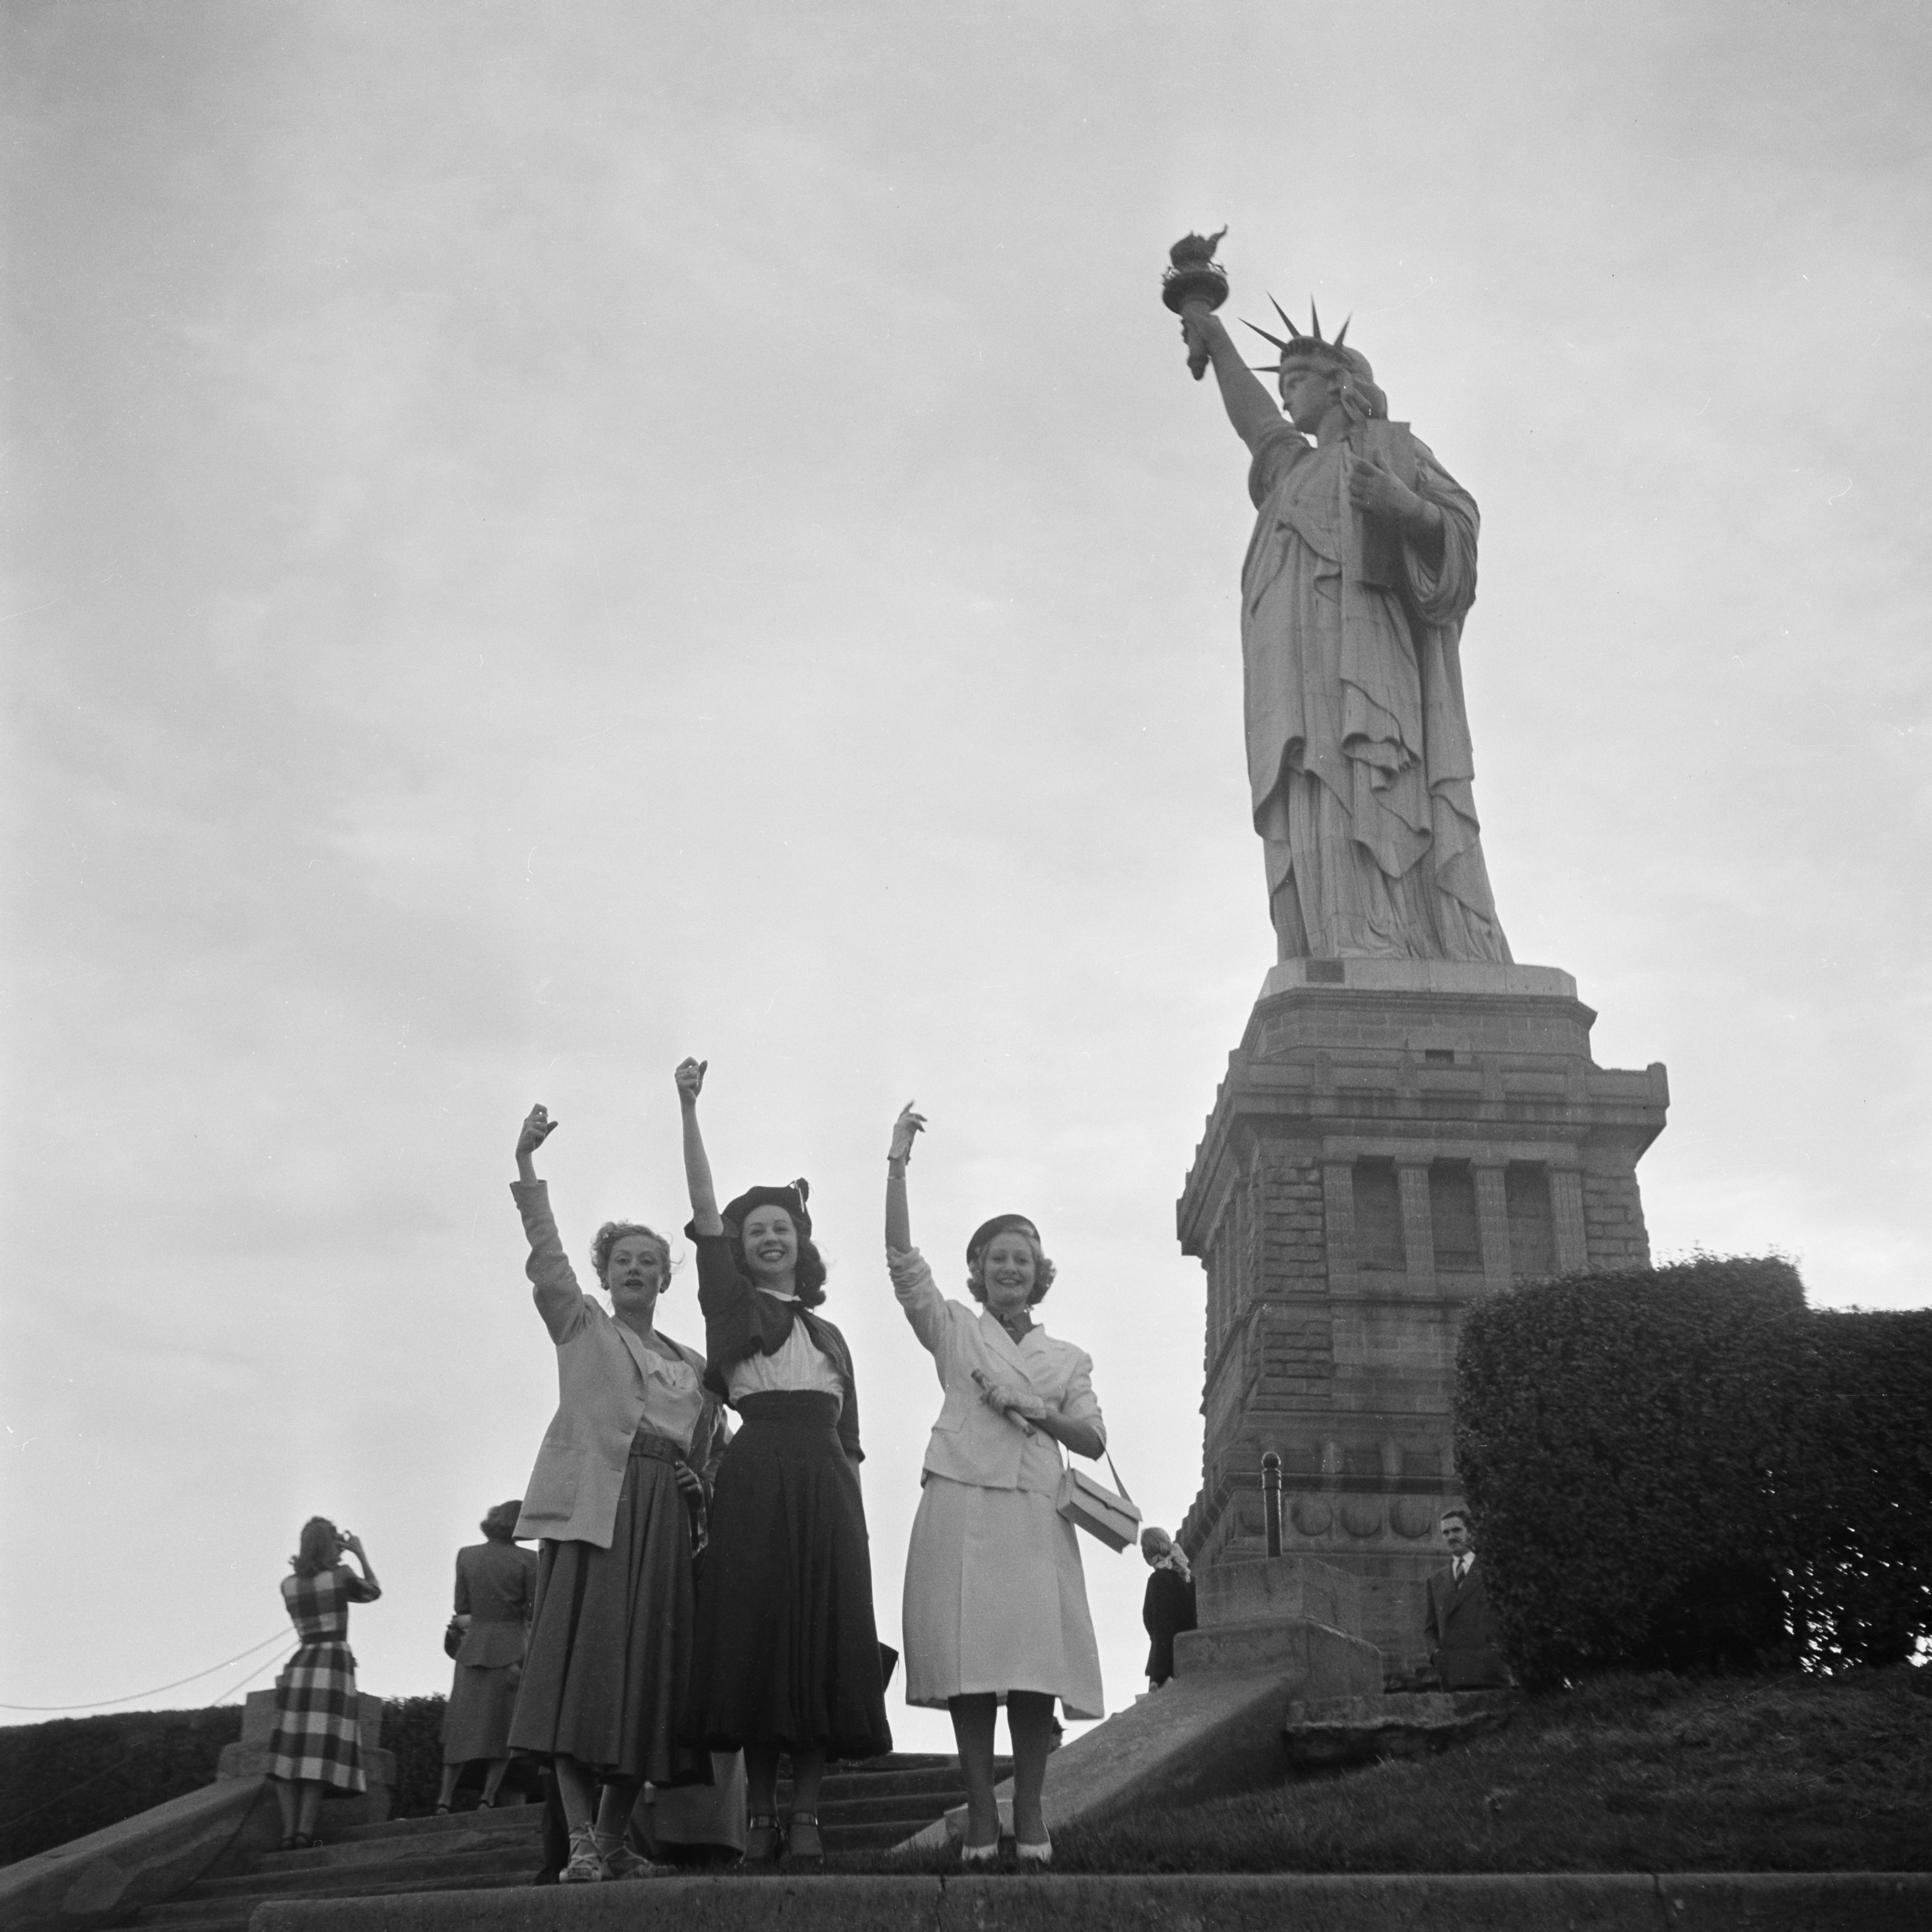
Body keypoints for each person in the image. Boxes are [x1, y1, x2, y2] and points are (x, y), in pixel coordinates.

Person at [1175, 292, 1510, 965]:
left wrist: (1407, 509)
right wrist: (1213, 338)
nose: (1286, 394)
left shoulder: (1389, 449)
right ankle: (1340, 938)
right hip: (1295, 670)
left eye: (1297, 380)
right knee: (1315, 784)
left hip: (1369, 653)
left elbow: (1459, 526)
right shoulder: (1291, 470)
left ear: (1339, 385)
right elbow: (1257, 423)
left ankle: (1400, 937)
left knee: (1374, 775)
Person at [675, 1057, 892, 1869]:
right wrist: (690, 1110)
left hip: (829, 1490)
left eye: (783, 1228)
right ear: (744, 1246)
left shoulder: (831, 1337)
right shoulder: (732, 1305)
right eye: (757, 1229)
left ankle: (808, 1814)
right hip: (758, 1476)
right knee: (761, 1642)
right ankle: (760, 1814)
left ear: (802, 1245)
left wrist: (856, 1530)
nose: (771, 1237)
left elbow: (852, 1441)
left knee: (824, 1643)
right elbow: (702, 1208)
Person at [884, 1102, 1108, 1870]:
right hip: (959, 1500)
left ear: (1038, 1273)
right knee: (972, 1670)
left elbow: (1095, 1438)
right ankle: (982, 1814)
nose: (1010, 1268)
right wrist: (897, 1164)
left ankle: (1034, 1811)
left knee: (1033, 1671)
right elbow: (900, 1259)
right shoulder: (952, 1328)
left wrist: (1034, 1408)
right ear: (976, 1270)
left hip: (1035, 1513)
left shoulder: (1068, 1358)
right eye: (996, 1257)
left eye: (1023, 1258)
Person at [505, 1102, 722, 1884]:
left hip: (666, 1520)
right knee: (577, 1677)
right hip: (597, 1510)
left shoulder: (692, 1363)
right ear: (606, 1275)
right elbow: (547, 1261)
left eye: (649, 1261)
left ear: (667, 1276)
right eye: (623, 1260)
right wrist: (528, 1168)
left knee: (650, 1682)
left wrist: (701, 1478)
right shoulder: (582, 1326)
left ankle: (617, 1838)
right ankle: (583, 1844)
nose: (636, 1269)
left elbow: (708, 1447)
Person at [269, 1517, 381, 1850]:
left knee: (289, 1753)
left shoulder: (287, 1584)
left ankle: (289, 1833)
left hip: (303, 1662)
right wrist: (359, 1553)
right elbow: (373, 1592)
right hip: (333, 1665)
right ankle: (304, 1830)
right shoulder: (341, 1576)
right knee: (317, 1753)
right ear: (331, 1544)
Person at [436, 1499, 539, 1813]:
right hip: (512, 1649)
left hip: (473, 1647)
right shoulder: (530, 1560)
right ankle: (487, 1798)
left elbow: (461, 1607)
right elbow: (535, 1609)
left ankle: (443, 1800)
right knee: (501, 1730)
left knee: (461, 1728)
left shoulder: (466, 1555)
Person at [1424, 1509, 1512, 1689]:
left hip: (1490, 1671)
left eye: (1457, 1530)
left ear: (1470, 1531)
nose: (1451, 1537)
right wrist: (1435, 1655)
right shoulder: (1436, 1580)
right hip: (1452, 1674)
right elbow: (1430, 1628)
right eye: (1446, 1533)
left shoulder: (1494, 1571)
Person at [1139, 1527, 1197, 1690]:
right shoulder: (1188, 1581)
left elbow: (1163, 1629)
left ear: (1148, 1553)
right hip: (1190, 1662)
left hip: (1169, 1667)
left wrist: (1157, 1676)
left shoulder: (1158, 1581)